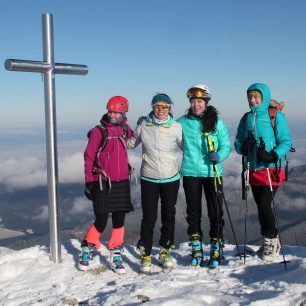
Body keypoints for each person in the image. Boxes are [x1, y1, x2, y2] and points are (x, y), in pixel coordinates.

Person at [234, 83, 292, 262]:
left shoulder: (275, 116)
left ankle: (273, 242)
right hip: (255, 169)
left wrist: (273, 155)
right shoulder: (246, 118)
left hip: (272, 169)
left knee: (265, 203)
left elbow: (286, 141)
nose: (252, 100)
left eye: (256, 97)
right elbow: (238, 141)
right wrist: (243, 147)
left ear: (264, 98)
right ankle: (268, 242)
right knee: (260, 204)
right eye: (250, 97)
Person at [127, 93, 182, 273]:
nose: (160, 109)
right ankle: (146, 254)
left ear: (170, 108)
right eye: (157, 106)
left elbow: (188, 147)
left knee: (169, 215)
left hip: (171, 177)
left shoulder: (176, 127)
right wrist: (116, 131)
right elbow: (130, 143)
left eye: (164, 106)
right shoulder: (144, 125)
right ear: (152, 107)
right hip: (149, 177)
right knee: (149, 217)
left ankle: (165, 251)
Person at [177, 84, 231, 268]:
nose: (196, 104)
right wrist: (148, 121)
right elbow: (167, 128)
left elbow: (226, 146)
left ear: (206, 102)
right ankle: (197, 248)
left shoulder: (217, 122)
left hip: (213, 172)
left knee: (216, 212)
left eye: (200, 101)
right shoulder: (182, 122)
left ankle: (217, 248)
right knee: (194, 213)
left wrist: (220, 156)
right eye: (193, 101)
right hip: (191, 172)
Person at [78, 96, 134, 274]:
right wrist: (89, 181)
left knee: (119, 218)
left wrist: (145, 123)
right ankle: (87, 248)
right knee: (101, 219)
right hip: (102, 182)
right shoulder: (99, 131)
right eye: (110, 111)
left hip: (122, 180)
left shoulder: (125, 129)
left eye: (116, 111)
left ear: (123, 112)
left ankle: (116, 253)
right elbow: (89, 157)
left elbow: (136, 139)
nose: (112, 115)